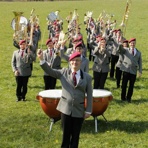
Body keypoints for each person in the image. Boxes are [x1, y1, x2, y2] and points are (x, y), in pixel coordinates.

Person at [37, 50, 93, 148]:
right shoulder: (64, 72)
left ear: (81, 62)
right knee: (65, 136)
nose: (75, 62)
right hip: (65, 110)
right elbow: (50, 71)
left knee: (76, 136)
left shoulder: (87, 77)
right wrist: (42, 59)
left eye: (77, 60)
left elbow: (89, 94)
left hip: (79, 110)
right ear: (69, 62)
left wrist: (88, 110)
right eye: (73, 60)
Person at [118, 38, 142, 102]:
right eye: (131, 43)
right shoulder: (126, 50)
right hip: (126, 70)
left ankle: (129, 98)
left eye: (133, 43)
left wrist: (140, 71)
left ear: (135, 43)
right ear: (129, 44)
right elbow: (120, 49)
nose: (132, 44)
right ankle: (123, 98)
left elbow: (140, 62)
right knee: (124, 85)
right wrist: (120, 43)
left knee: (131, 86)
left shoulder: (138, 52)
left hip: (133, 71)